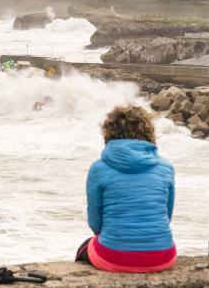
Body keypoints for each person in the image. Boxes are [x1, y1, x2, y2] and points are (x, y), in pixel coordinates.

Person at [75, 105, 177, 273]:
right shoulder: (166, 168)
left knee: (84, 247)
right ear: (149, 132)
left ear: (109, 133)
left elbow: (95, 224)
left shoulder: (98, 168)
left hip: (114, 257)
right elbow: (167, 216)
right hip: (163, 255)